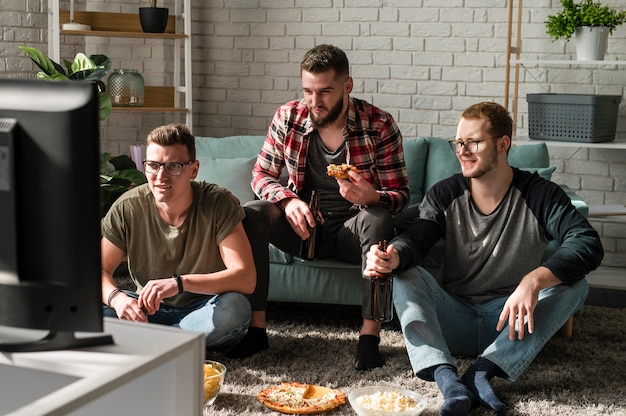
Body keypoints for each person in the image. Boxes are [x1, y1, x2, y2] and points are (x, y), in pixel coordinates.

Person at [365, 102, 604, 415]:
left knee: (575, 285)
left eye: (473, 142)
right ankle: (446, 377)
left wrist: (534, 280)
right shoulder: (445, 193)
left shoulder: (540, 194)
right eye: (459, 143)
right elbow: (417, 235)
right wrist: (394, 256)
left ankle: (482, 372)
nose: (462, 150)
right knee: (405, 273)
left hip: (511, 324)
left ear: (503, 144)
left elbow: (586, 242)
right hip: (451, 317)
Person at [232, 44, 410, 370]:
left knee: (379, 219)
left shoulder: (379, 125)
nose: (315, 102)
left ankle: (370, 336)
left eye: (325, 92)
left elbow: (400, 195)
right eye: (308, 91)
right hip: (302, 229)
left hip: (352, 231)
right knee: (251, 213)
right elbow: (261, 174)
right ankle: (256, 330)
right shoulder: (289, 117)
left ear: (347, 86)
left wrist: (371, 196)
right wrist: (287, 201)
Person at [101, 123, 256, 351]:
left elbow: (245, 278)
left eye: (173, 166)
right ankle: (176, 345)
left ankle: (149, 344)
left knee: (235, 308)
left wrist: (179, 283)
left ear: (193, 170)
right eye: (153, 165)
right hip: (147, 312)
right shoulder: (127, 207)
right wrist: (118, 299)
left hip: (204, 309)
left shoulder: (218, 203)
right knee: (79, 305)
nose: (160, 176)